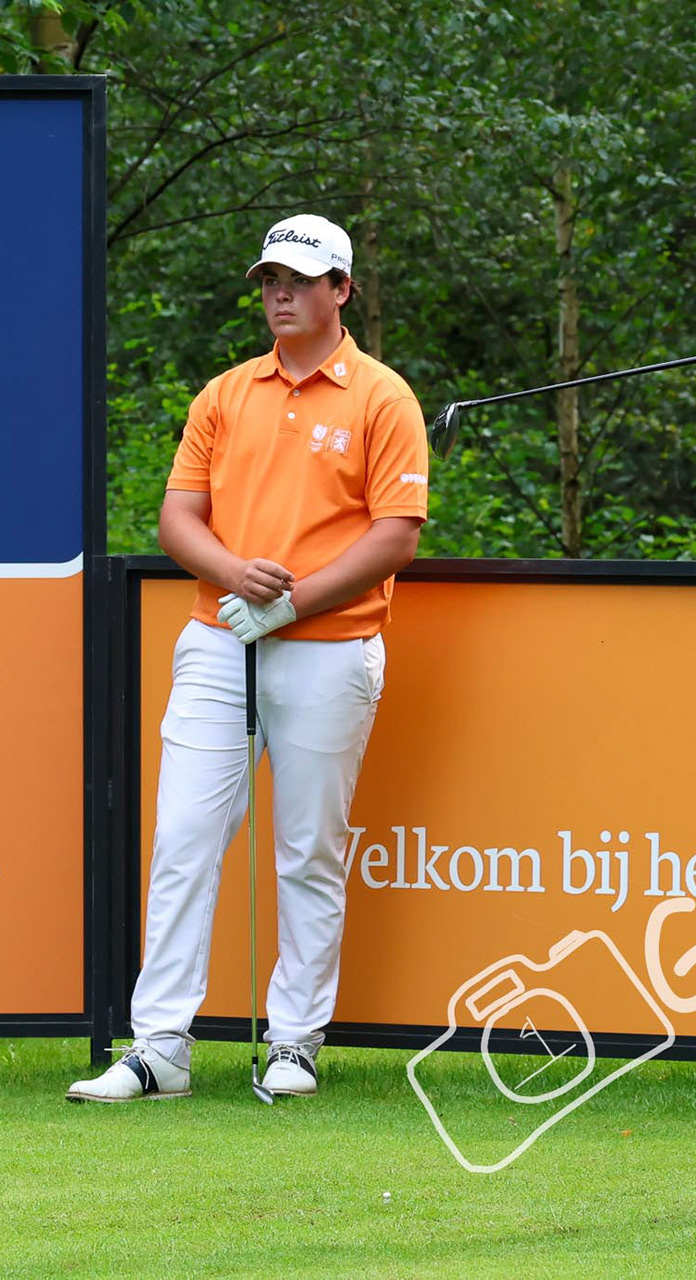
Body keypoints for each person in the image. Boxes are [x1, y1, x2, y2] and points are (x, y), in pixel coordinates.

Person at [69, 213, 428, 1102]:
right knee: (185, 840)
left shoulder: (383, 397)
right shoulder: (225, 394)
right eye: (271, 280)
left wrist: (293, 601)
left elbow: (396, 538)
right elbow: (177, 519)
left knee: (309, 851)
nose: (280, 295)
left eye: (301, 281)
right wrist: (237, 577)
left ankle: (295, 1041)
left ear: (341, 290)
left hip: (331, 650)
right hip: (218, 640)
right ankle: (160, 1046)